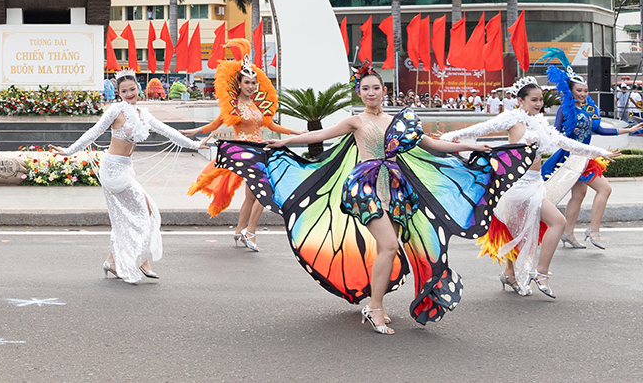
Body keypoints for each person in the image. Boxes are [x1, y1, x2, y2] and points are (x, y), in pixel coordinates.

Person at [207, 61, 534, 333]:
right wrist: (283, 143)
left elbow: (432, 146)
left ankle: (373, 300)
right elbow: (319, 134)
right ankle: (375, 308)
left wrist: (471, 146)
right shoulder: (355, 120)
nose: (371, 93)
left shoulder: (397, 123)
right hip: (364, 188)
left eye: (376, 88)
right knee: (390, 246)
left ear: (383, 91)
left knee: (386, 249)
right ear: (360, 93)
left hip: (393, 188)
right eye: (365, 89)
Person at [440, 77, 618, 297]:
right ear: (520, 100)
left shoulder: (539, 123)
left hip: (536, 183)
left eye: (541, 100)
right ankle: (541, 273)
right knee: (557, 222)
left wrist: (599, 152)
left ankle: (509, 274)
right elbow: (479, 128)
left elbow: (565, 142)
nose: (538, 104)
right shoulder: (512, 119)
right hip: (517, 184)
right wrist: (447, 141)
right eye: (533, 100)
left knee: (522, 231)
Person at [55, 69, 204, 283]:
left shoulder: (143, 114)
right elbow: (93, 133)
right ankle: (142, 260)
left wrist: (196, 144)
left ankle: (110, 261)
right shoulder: (115, 111)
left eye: (132, 89)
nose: (129, 94)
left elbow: (168, 131)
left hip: (126, 168)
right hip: (113, 169)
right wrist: (69, 151)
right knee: (145, 212)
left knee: (124, 217)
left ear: (138, 88)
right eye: (124, 91)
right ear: (118, 93)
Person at [181, 39, 302, 251]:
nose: (251, 87)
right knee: (265, 193)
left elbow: (270, 124)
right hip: (245, 154)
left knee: (252, 196)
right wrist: (197, 131)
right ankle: (251, 232)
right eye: (247, 83)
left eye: (254, 83)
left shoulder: (256, 105)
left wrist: (295, 132)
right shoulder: (233, 106)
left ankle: (239, 231)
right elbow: (216, 123)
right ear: (239, 84)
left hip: (261, 151)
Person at [538, 49, 643, 250]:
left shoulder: (586, 111)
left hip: (584, 158)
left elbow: (600, 129)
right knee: (605, 188)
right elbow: (556, 135)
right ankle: (593, 230)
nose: (584, 94)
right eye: (579, 91)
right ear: (570, 91)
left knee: (578, 196)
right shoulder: (565, 109)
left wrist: (628, 129)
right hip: (571, 158)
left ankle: (568, 233)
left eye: (585, 90)